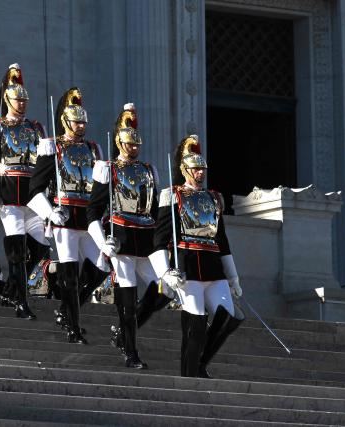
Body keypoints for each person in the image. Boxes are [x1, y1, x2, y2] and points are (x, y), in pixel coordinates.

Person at [87, 103, 172, 369]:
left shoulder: (149, 170)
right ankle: (130, 351)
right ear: (119, 142)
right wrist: (103, 243)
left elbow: (156, 209)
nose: (134, 147)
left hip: (146, 240)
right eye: (129, 143)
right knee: (127, 293)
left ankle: (125, 331)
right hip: (121, 237)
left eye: (137, 144)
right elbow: (93, 211)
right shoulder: (108, 169)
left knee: (165, 289)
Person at [151, 135, 243, 378]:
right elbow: (160, 238)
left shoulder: (214, 198)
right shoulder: (173, 195)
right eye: (196, 169)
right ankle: (191, 372)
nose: (200, 173)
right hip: (188, 268)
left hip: (213, 267)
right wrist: (165, 271)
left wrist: (233, 277)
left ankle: (200, 361)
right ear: (185, 170)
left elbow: (221, 240)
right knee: (196, 324)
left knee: (230, 316)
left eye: (202, 169)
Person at [27, 87, 109, 344]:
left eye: (84, 121)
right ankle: (73, 327)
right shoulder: (52, 147)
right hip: (64, 218)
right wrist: (50, 212)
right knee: (70, 276)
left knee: (103, 266)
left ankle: (66, 309)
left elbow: (100, 189)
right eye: (77, 121)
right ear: (65, 120)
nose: (81, 125)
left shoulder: (94, 149)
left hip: (88, 217)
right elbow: (34, 189)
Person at [0, 63, 48, 319]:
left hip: (33, 196)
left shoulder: (36, 128)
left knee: (41, 247)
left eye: (25, 99)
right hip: (8, 196)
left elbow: (43, 166)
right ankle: (21, 302)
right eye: (18, 99)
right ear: (7, 98)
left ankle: (10, 289)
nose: (23, 103)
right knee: (16, 251)